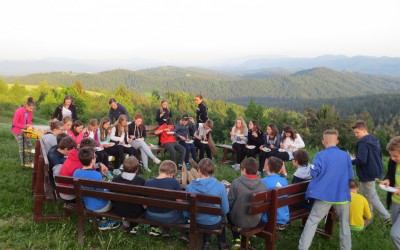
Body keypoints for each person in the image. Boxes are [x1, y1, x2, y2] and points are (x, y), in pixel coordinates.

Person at [298, 129, 353, 250]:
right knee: (345, 225)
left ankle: (303, 248)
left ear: (323, 142)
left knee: (312, 221)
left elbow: (313, 173)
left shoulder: (320, 156)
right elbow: (350, 176)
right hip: (342, 195)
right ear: (337, 141)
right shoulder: (346, 156)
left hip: (324, 195)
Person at [351, 120, 391, 224]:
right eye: (354, 133)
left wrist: (351, 160)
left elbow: (362, 160)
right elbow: (375, 157)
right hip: (374, 171)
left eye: (357, 132)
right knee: (367, 195)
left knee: (371, 196)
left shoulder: (363, 143)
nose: (356, 135)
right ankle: (368, 216)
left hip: (367, 173)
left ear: (364, 130)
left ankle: (387, 217)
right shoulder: (374, 140)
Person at [185, 158, 230, 250]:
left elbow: (186, 210)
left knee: (205, 213)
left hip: (195, 222)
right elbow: (225, 210)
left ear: (199, 170)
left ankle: (206, 242)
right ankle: (222, 244)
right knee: (219, 217)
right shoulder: (220, 186)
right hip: (213, 223)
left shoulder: (190, 187)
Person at [73, 147, 120, 230]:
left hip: (87, 203)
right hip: (100, 206)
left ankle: (97, 218)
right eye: (95, 156)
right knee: (114, 195)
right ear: (92, 160)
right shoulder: (96, 175)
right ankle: (104, 221)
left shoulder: (76, 172)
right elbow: (101, 195)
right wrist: (108, 187)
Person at [228, 157, 267, 249]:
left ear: (244, 169)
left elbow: (229, 204)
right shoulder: (263, 185)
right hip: (255, 221)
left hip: (238, 220)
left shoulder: (236, 183)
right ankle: (246, 239)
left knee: (228, 211)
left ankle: (237, 239)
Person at [144, 160, 185, 237]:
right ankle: (183, 233)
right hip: (169, 217)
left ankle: (164, 230)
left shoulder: (147, 182)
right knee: (181, 210)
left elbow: (145, 206)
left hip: (150, 216)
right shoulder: (174, 182)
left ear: (159, 170)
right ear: (171, 174)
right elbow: (180, 202)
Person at [112, 156, 145, 234]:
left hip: (118, 210)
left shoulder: (115, 179)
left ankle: (126, 224)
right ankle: (134, 226)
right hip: (135, 212)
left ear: (123, 167)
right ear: (137, 169)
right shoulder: (141, 181)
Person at [381, 136, 400, 248]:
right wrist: (387, 180)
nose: (392, 158)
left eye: (395, 156)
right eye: (391, 155)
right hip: (395, 202)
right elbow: (389, 174)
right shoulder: (392, 162)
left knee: (395, 235)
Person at [261, 157, 290, 230]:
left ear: (267, 167)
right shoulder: (284, 181)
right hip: (283, 215)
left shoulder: (262, 182)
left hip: (268, 218)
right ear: (280, 169)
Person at [11, 97, 35, 166]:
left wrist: (31, 126)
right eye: (30, 108)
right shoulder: (18, 111)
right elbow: (15, 123)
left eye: (32, 108)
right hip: (17, 130)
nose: (31, 110)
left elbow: (30, 121)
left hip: (25, 130)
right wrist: (25, 126)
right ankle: (23, 163)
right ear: (26, 106)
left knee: (29, 145)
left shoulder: (30, 112)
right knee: (22, 146)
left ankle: (30, 161)